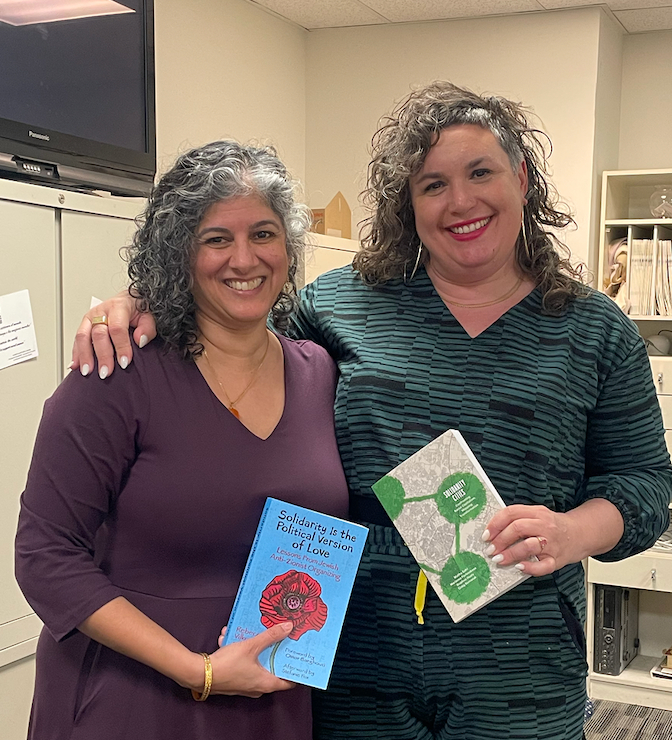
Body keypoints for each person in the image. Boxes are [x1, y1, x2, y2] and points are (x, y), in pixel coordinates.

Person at [69, 82, 672, 740]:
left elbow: (646, 486)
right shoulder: (336, 307)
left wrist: (571, 532)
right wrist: (141, 303)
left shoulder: (594, 331)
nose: (460, 201)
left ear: (522, 179)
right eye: (433, 184)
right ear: (407, 202)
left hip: (519, 662)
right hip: (355, 655)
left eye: (480, 173)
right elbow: (229, 338)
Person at [15, 140, 349, 740]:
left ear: (289, 247)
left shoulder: (317, 372)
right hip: (131, 700)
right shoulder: (118, 372)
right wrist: (199, 671)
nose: (244, 258)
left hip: (269, 701)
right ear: (179, 254)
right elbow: (44, 555)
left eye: (264, 234)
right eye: (216, 238)